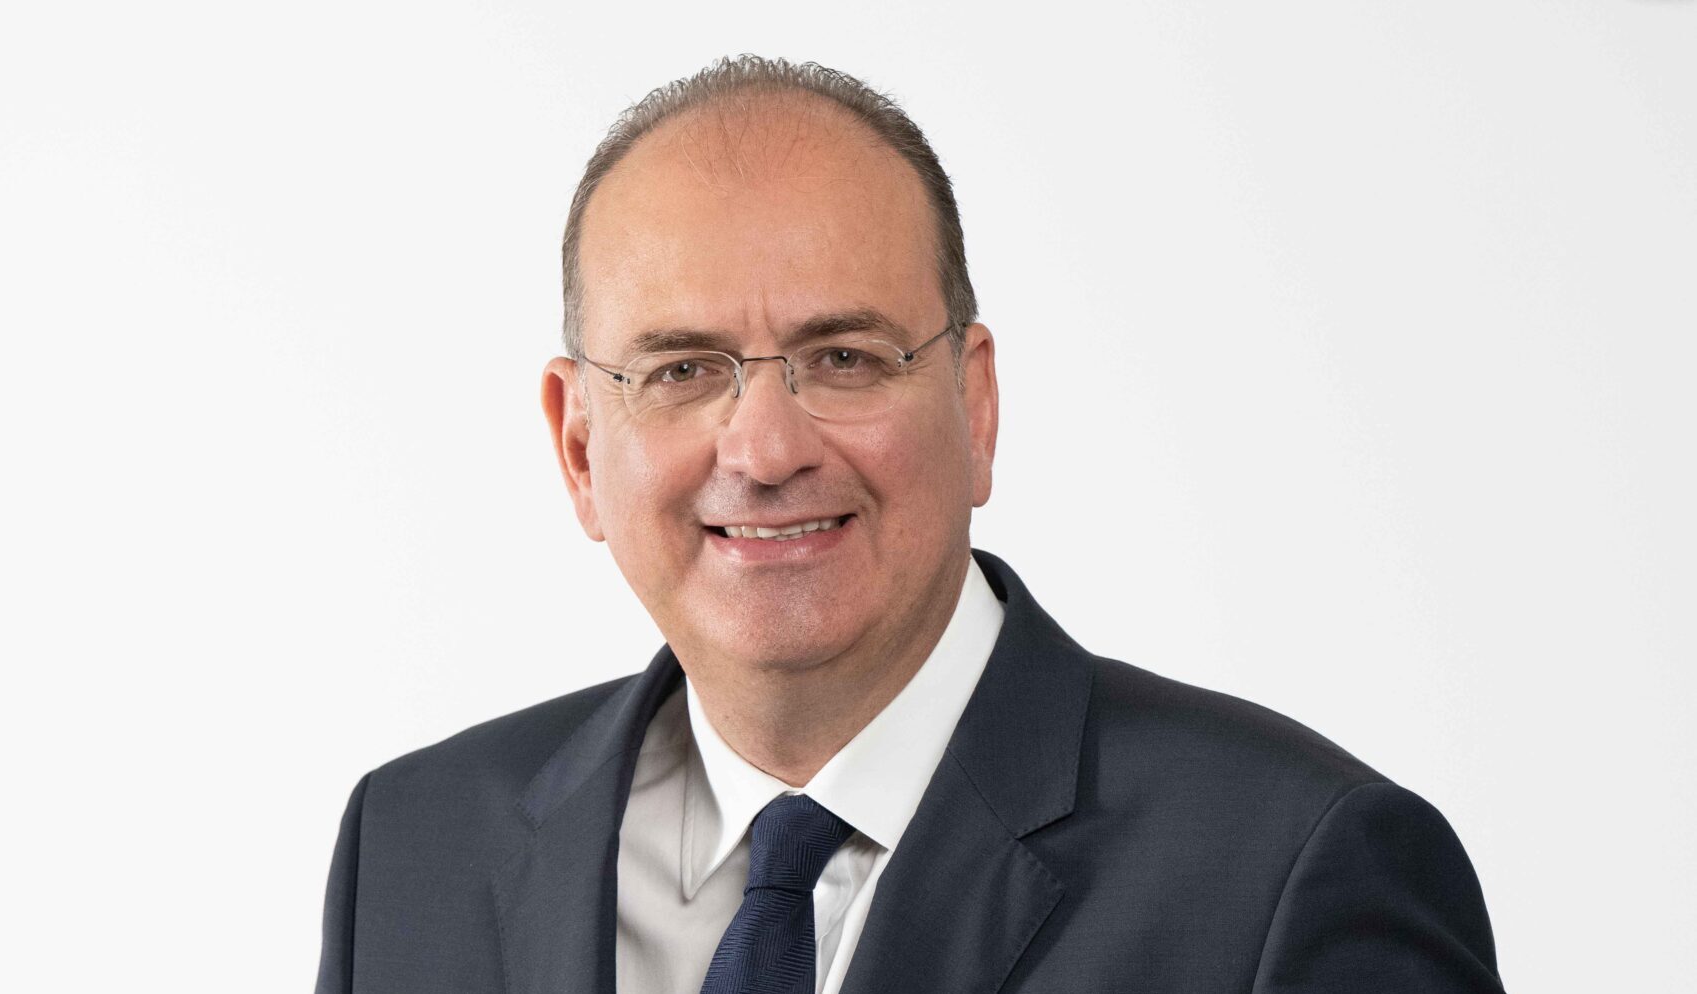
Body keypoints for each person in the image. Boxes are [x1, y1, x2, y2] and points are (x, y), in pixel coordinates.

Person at [315, 56, 1505, 994]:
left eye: (845, 356)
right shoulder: (413, 852)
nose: (766, 450)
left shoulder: (1291, 871)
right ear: (579, 445)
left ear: (974, 406)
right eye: (681, 369)